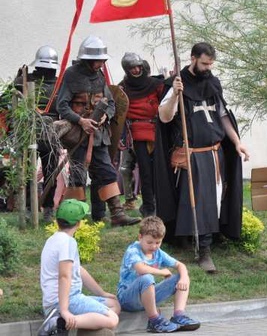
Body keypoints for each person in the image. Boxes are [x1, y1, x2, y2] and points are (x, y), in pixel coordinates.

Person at [155, 42, 249, 273]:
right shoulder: (175, 84)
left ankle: (208, 240)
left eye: (211, 64)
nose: (208, 68)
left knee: (213, 201)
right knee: (198, 202)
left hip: (214, 153)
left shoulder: (213, 83)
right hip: (191, 155)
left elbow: (223, 115)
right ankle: (202, 250)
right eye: (205, 63)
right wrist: (176, 95)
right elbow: (165, 117)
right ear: (193, 58)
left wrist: (237, 143)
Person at [55, 35, 140, 226]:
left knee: (107, 172)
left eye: (103, 60)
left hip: (100, 136)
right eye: (98, 60)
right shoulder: (71, 75)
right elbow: (61, 106)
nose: (101, 63)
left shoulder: (100, 76)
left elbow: (111, 102)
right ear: (87, 59)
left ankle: (116, 214)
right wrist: (81, 120)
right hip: (78, 136)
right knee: (78, 176)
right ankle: (74, 218)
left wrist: (105, 116)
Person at [38, 199, 120, 336]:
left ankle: (78, 328)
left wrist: (102, 293)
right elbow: (64, 276)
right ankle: (59, 322)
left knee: (114, 304)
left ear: (57, 220)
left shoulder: (53, 239)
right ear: (79, 223)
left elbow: (78, 270)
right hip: (66, 301)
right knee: (112, 319)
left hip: (62, 300)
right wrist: (64, 310)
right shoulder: (68, 242)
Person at [116, 216, 201, 333]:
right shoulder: (133, 250)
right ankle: (154, 321)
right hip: (128, 299)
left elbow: (180, 265)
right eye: (149, 242)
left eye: (158, 242)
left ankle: (179, 316)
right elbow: (141, 269)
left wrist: (184, 278)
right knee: (146, 278)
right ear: (140, 237)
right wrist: (162, 272)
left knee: (181, 276)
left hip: (147, 297)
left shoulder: (158, 252)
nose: (154, 246)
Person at [13, 46, 60, 221]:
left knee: (51, 174)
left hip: (51, 132)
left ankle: (48, 208)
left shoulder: (59, 83)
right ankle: (27, 207)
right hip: (28, 131)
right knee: (26, 173)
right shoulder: (24, 80)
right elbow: (10, 102)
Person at [118, 53, 166, 217]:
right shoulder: (122, 89)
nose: (137, 70)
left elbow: (167, 104)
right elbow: (117, 109)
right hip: (137, 134)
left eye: (138, 66)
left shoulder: (156, 85)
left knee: (160, 171)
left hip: (158, 133)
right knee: (145, 172)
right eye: (133, 68)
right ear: (127, 69)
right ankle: (148, 207)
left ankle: (161, 205)